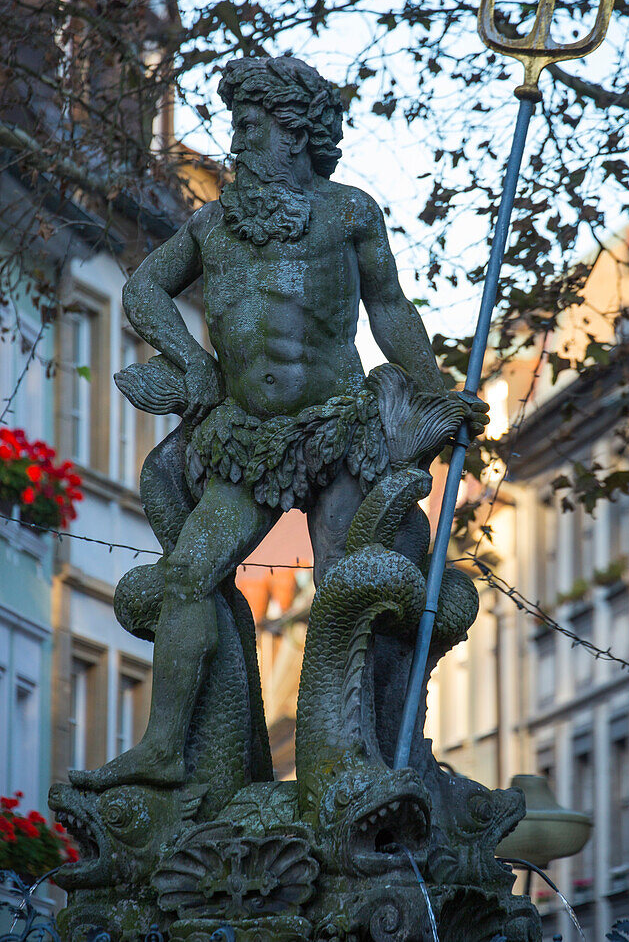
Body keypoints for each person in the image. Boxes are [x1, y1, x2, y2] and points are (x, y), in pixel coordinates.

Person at [71, 56, 484, 790]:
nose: (237, 142)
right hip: (245, 438)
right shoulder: (212, 223)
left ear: (295, 135)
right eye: (236, 126)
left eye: (251, 127)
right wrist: (191, 363)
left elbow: (388, 307)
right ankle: (165, 749)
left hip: (338, 428)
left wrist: (433, 391)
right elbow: (143, 291)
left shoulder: (347, 212)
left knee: (346, 588)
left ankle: (354, 758)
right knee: (186, 579)